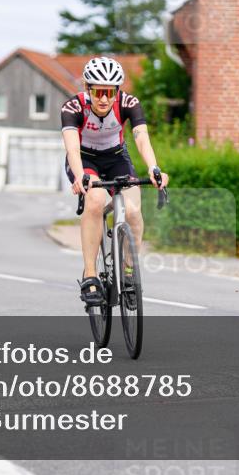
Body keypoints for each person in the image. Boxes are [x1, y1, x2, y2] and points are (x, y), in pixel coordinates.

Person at [60, 56, 168, 305]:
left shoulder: (129, 103)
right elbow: (72, 149)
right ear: (88, 89)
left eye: (110, 92)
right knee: (96, 201)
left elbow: (141, 138)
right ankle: (90, 276)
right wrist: (80, 176)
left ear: (117, 91)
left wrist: (153, 167)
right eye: (98, 92)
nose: (104, 99)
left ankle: (129, 273)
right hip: (85, 160)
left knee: (132, 211)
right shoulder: (72, 108)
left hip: (117, 157)